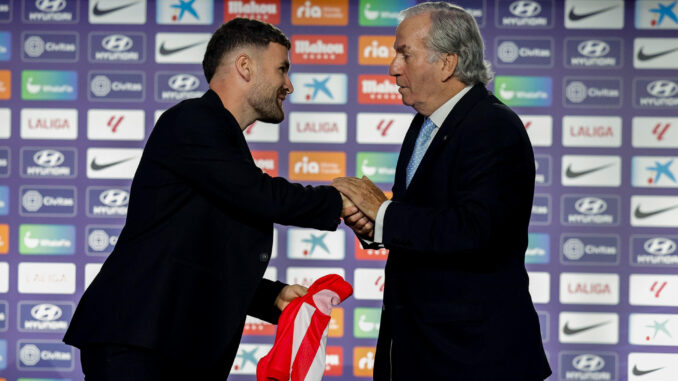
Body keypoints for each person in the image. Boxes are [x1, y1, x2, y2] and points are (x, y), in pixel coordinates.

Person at [64, 18, 361, 380]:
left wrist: (273, 296)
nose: (289, 84)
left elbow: (201, 256)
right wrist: (345, 202)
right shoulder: (193, 120)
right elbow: (262, 195)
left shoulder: (219, 141)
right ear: (245, 66)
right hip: (141, 341)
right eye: (282, 69)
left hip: (168, 344)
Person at [333, 3, 552, 380]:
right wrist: (375, 226)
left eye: (405, 53)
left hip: (472, 360)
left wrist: (384, 212)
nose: (392, 67)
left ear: (447, 63)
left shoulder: (492, 127)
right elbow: (429, 222)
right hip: (421, 353)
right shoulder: (425, 123)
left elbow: (476, 232)